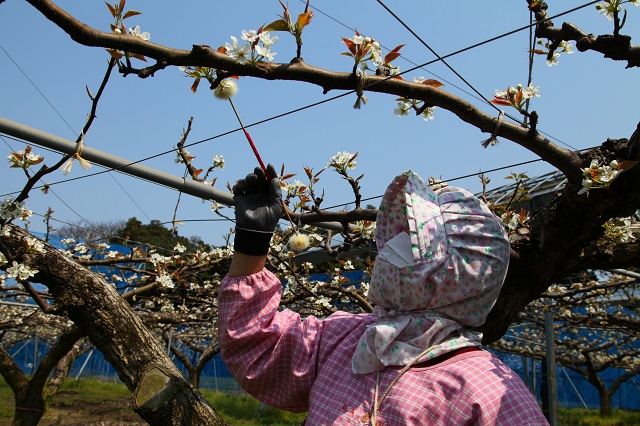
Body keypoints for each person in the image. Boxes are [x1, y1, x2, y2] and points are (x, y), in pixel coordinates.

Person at [218, 164, 549, 425]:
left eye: (414, 243)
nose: (392, 247)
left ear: (456, 276)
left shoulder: (486, 391)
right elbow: (257, 345)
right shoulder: (345, 339)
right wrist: (251, 241)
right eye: (399, 235)